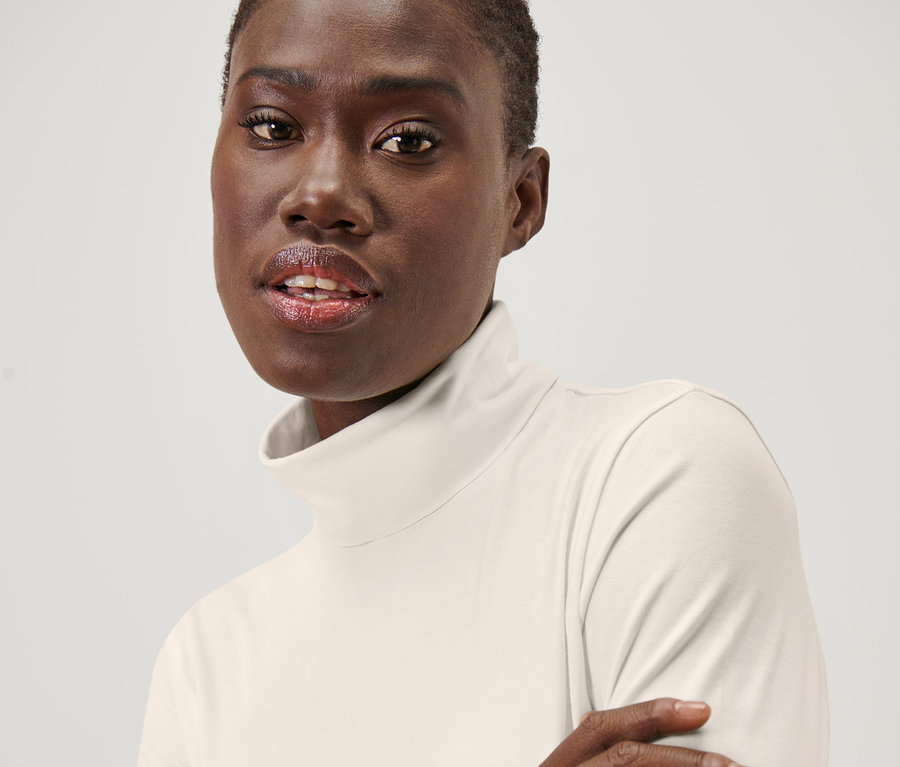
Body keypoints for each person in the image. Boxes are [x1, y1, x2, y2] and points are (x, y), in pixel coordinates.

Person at [138, 0, 828, 764]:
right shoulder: (206, 666)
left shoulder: (657, 477)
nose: (320, 194)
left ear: (519, 201)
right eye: (272, 126)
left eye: (407, 140)